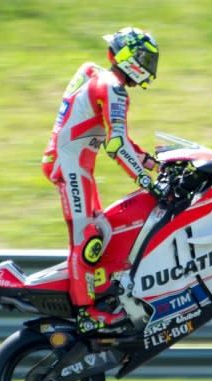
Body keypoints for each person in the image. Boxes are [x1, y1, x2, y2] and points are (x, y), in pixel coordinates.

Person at [41, 27, 161, 334]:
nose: (149, 66)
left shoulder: (102, 79)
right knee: (87, 239)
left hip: (76, 164)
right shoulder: (112, 87)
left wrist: (150, 162)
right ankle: (86, 314)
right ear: (129, 57)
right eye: (145, 58)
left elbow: (119, 138)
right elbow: (116, 146)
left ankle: (100, 297)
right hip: (70, 164)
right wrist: (146, 182)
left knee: (103, 231)